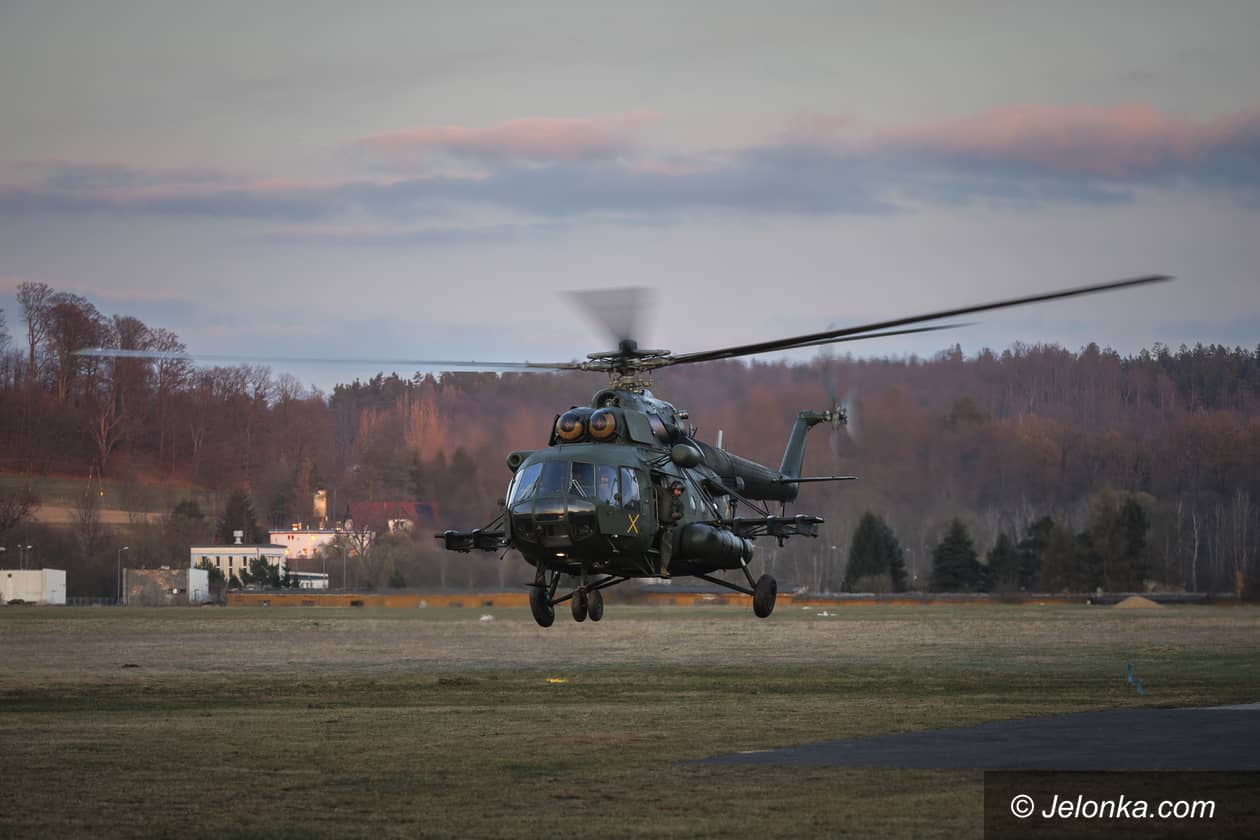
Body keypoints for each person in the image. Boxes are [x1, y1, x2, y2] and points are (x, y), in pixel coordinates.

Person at [657, 481, 685, 577]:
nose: (679, 493)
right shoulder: (663, 493)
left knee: (666, 548)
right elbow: (653, 488)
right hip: (656, 523)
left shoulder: (679, 503)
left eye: (680, 491)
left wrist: (677, 515)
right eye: (678, 490)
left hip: (668, 526)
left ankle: (663, 568)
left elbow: (681, 514)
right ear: (673, 488)